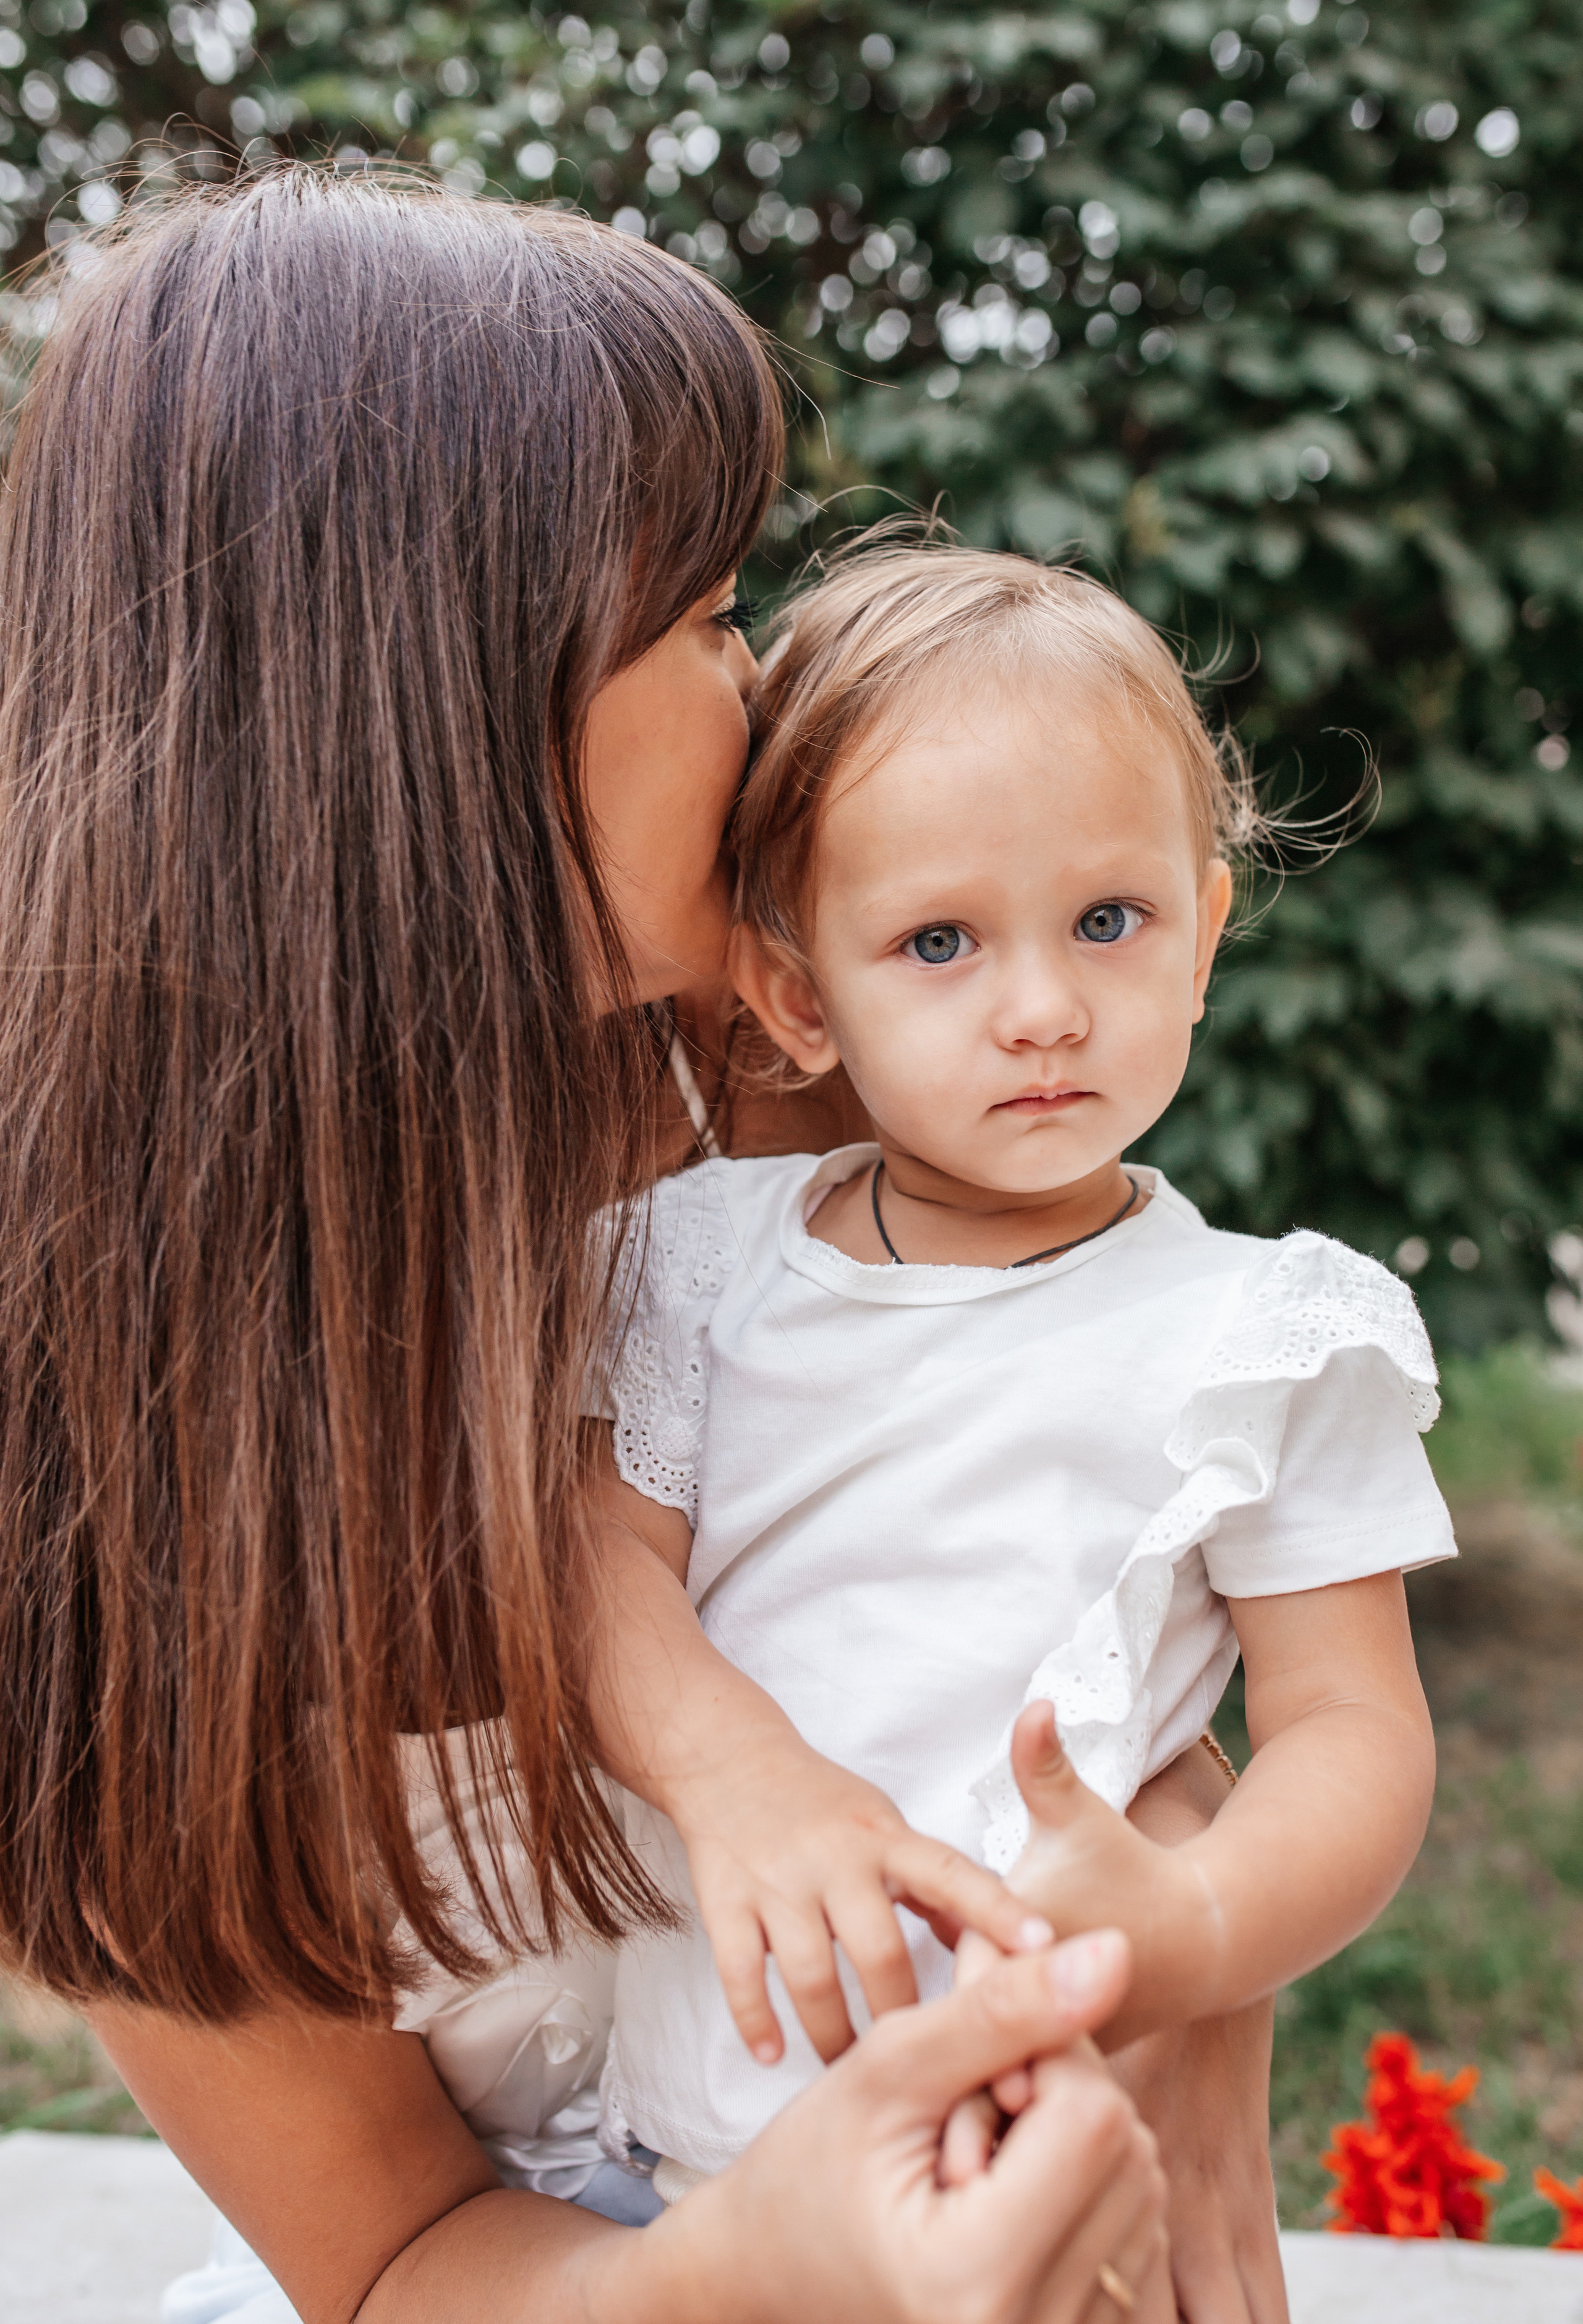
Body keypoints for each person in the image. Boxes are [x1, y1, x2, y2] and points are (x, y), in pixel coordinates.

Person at [0, 171, 1272, 2324]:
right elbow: (390, 2256)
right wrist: (773, 2270)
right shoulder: (87, 1457)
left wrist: (1195, 2044)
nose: (762, 673)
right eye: (697, 619)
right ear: (429, 723)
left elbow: (1081, 1617)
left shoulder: (773, 1096)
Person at [582, 545, 1454, 2195]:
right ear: (794, 993)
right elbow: (590, 1567)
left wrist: (1199, 1921)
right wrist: (736, 1765)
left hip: (1042, 2165)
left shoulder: (1257, 1336)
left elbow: (1352, 1729)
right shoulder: (702, 1260)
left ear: (1203, 939)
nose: (1045, 1009)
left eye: (1109, 922)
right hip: (685, 2150)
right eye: (939, 943)